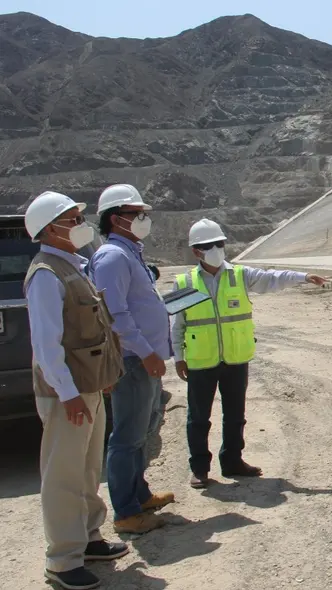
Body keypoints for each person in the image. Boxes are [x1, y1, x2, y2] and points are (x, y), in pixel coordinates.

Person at [23, 191, 129, 590]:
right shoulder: (46, 274)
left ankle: (89, 538)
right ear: (51, 229)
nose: (82, 223)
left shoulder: (74, 266)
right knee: (63, 475)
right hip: (66, 392)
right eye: (73, 218)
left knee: (86, 469)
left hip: (86, 387)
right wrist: (67, 393)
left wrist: (101, 376)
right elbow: (47, 345)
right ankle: (63, 560)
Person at [171, 219, 327, 488]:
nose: (217, 249)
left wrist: (302, 277)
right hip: (200, 361)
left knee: (235, 415)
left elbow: (271, 278)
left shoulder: (239, 275)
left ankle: (232, 461)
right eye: (210, 246)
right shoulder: (185, 282)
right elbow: (177, 324)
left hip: (235, 359)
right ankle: (200, 469)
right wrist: (178, 357)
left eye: (220, 244)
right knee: (198, 418)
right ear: (197, 251)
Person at [88, 184, 174, 535]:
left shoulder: (129, 253)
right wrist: (147, 352)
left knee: (142, 433)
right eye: (136, 214)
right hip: (135, 361)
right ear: (115, 218)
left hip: (144, 360)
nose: (143, 219)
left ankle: (139, 496)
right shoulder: (112, 257)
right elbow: (116, 315)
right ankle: (125, 512)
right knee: (126, 438)